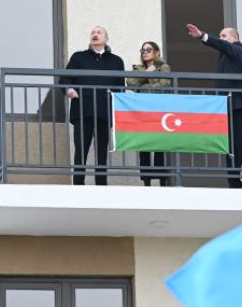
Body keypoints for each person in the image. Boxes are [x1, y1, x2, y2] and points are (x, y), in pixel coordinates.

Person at [185, 23, 242, 189]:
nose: (221, 39)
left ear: (235, 37)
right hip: (228, 107)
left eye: (224, 36)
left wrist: (203, 36)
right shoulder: (226, 55)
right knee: (230, 148)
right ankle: (234, 184)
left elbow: (226, 47)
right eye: (220, 36)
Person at [60, 26, 125, 186]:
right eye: (93, 33)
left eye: (99, 32)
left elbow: (120, 89)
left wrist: (117, 114)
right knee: (81, 149)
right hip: (83, 111)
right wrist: (69, 89)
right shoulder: (78, 57)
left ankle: (101, 185)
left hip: (104, 112)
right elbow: (65, 78)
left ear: (106, 39)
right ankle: (78, 184)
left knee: (102, 152)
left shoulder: (116, 61)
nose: (95, 35)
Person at [126, 41, 173, 187]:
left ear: (157, 52)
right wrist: (147, 73)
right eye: (143, 50)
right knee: (144, 146)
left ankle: (162, 181)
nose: (145, 52)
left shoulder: (164, 67)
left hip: (159, 111)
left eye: (148, 49)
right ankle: (146, 182)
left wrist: (143, 86)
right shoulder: (138, 68)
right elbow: (131, 83)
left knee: (160, 145)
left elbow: (164, 85)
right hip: (143, 111)